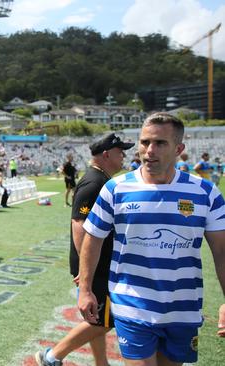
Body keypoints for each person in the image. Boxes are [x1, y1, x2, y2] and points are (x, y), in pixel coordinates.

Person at [78, 113, 225, 366]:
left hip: (183, 307)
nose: (149, 150)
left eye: (160, 143)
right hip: (131, 304)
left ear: (179, 149)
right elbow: (93, 238)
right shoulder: (116, 188)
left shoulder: (205, 192)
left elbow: (222, 252)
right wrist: (85, 290)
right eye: (144, 142)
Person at [35, 133, 134, 366]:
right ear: (106, 154)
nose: (124, 156)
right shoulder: (94, 183)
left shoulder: (100, 180)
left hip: (96, 262)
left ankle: (101, 363)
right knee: (105, 319)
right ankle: (52, 356)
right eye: (120, 152)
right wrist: (85, 266)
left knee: (96, 315)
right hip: (96, 265)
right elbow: (79, 225)